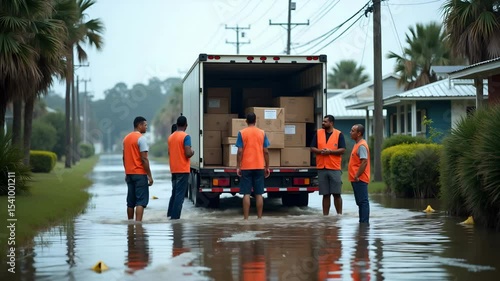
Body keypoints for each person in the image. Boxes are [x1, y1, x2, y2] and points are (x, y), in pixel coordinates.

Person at [236, 112, 271, 220]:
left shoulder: (242, 133)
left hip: (246, 167)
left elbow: (240, 151)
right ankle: (259, 218)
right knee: (259, 193)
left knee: (246, 193)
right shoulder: (262, 133)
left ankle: (246, 219)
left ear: (246, 121)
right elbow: (266, 151)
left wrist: (238, 166)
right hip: (259, 166)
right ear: (256, 121)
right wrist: (267, 166)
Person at [310, 115, 346, 216]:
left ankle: (339, 215)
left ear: (331, 123)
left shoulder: (339, 134)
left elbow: (342, 149)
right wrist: (320, 151)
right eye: (323, 121)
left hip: (334, 168)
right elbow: (312, 147)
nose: (323, 123)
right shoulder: (318, 133)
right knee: (325, 194)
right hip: (322, 168)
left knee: (337, 194)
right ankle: (325, 217)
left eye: (325, 122)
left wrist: (330, 152)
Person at [122, 116, 153, 222]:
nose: (146, 127)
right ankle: (138, 225)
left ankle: (130, 224)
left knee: (130, 201)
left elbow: (124, 157)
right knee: (140, 201)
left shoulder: (126, 138)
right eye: (145, 125)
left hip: (129, 174)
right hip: (140, 174)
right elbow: (144, 159)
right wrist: (149, 176)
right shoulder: (141, 139)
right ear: (139, 125)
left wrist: (127, 171)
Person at [167, 116, 195, 220]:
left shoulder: (171, 137)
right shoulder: (186, 136)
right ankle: (175, 219)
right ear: (186, 125)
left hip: (174, 169)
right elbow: (188, 153)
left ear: (177, 124)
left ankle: (169, 215)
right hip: (183, 169)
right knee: (180, 195)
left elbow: (169, 153)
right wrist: (193, 152)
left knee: (174, 193)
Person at [348, 124, 370, 224]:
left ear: (359, 133)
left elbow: (364, 162)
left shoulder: (361, 146)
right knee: (360, 202)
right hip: (356, 178)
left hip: (360, 178)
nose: (350, 132)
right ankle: (362, 223)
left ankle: (364, 223)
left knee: (363, 202)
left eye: (353, 131)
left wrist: (357, 175)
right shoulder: (357, 144)